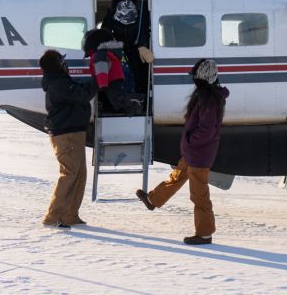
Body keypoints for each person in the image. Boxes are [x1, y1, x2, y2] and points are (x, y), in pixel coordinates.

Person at [136, 59, 228, 245]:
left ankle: (204, 233)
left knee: (199, 194)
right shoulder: (205, 95)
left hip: (199, 154)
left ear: (203, 78)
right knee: (177, 177)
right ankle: (153, 200)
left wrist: (190, 141)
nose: (193, 79)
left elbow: (206, 130)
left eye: (195, 76)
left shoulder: (208, 99)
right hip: (194, 152)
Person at [39, 49, 96, 228]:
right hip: (66, 134)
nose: (66, 65)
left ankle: (70, 214)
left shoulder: (60, 81)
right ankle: (53, 216)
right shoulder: (58, 83)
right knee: (70, 173)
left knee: (79, 174)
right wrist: (99, 78)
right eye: (62, 62)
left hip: (74, 132)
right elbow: (82, 94)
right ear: (57, 65)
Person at [82, 28, 145, 115]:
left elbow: (101, 70)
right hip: (115, 78)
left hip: (111, 79)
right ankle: (133, 104)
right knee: (115, 98)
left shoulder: (99, 54)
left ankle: (138, 99)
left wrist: (102, 83)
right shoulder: (107, 52)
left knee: (116, 98)